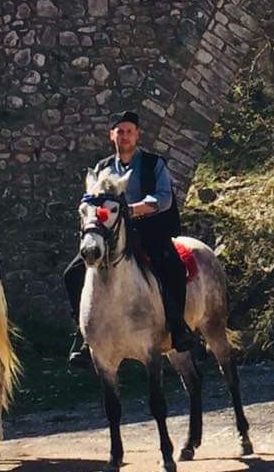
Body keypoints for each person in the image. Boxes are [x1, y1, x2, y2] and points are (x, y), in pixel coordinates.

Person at [65, 108, 199, 366]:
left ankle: (177, 327)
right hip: (111, 236)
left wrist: (132, 210)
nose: (124, 136)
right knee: (72, 274)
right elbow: (91, 200)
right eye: (120, 132)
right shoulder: (102, 168)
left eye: (129, 132)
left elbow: (164, 198)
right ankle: (83, 335)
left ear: (137, 135)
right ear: (111, 135)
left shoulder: (153, 164)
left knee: (171, 267)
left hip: (149, 231)